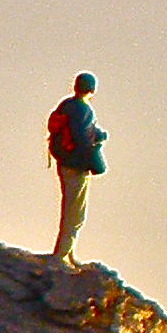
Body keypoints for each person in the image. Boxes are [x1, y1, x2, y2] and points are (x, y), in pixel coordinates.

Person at [49, 72, 108, 263]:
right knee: (75, 211)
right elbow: (82, 137)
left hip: (64, 162)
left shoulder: (66, 104)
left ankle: (67, 251)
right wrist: (99, 138)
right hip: (77, 165)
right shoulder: (83, 109)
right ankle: (62, 253)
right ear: (91, 89)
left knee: (70, 207)